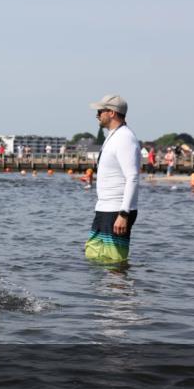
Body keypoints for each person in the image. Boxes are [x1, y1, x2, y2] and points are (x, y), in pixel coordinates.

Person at [85, 95, 140, 263]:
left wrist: (124, 213)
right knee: (94, 256)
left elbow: (132, 177)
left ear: (112, 113)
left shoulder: (125, 138)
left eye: (100, 111)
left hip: (117, 210)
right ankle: (100, 290)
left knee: (114, 263)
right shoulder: (113, 136)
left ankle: (119, 290)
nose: (97, 115)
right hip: (104, 207)